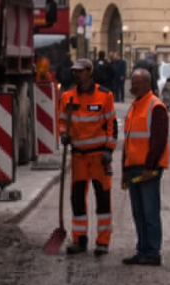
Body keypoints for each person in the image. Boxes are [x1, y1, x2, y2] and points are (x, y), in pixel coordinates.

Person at [58, 58, 117, 256]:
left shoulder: (105, 95)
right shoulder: (67, 97)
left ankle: (102, 242)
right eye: (74, 71)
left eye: (80, 71)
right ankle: (79, 240)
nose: (76, 74)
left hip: (99, 156)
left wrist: (109, 149)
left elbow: (112, 125)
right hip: (78, 157)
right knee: (77, 199)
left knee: (102, 199)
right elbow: (62, 121)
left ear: (89, 73)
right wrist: (63, 134)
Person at [121, 68, 169, 266]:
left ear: (147, 84)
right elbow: (129, 141)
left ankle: (152, 252)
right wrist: (124, 169)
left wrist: (150, 167)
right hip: (134, 168)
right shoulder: (135, 106)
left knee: (149, 212)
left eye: (136, 83)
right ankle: (142, 250)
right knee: (138, 213)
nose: (132, 86)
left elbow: (158, 140)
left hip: (148, 168)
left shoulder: (155, 106)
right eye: (132, 82)